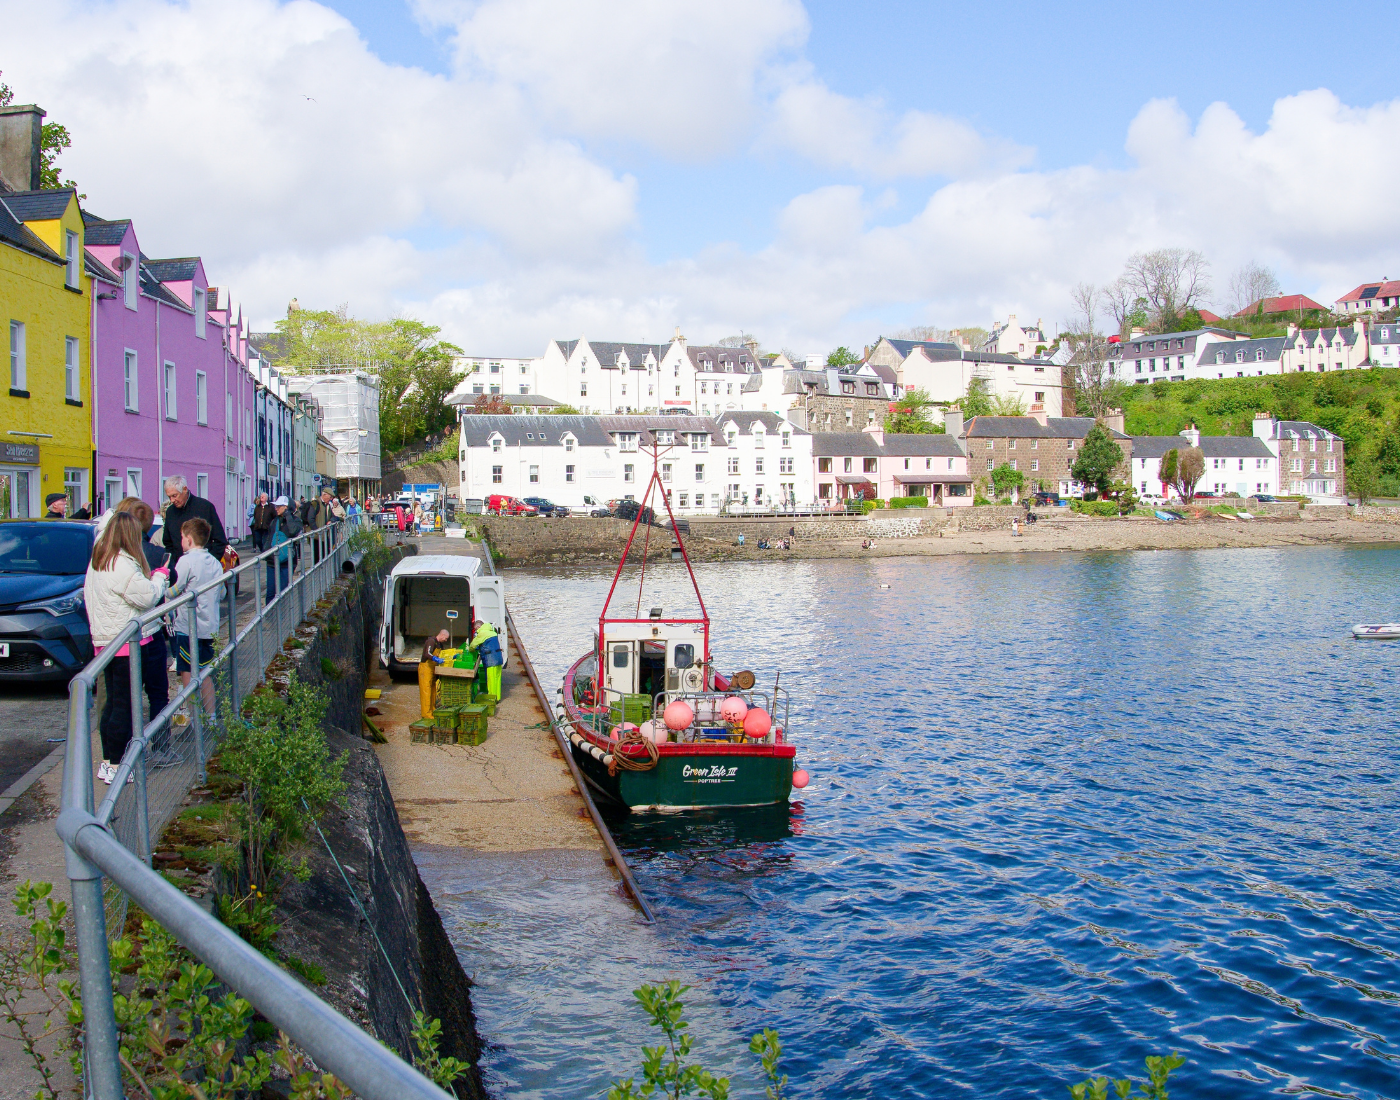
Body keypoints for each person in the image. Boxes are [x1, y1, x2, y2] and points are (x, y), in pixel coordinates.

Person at [84, 512, 170, 784]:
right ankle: (116, 764)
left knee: (113, 703)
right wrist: (160, 577)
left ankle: (109, 761)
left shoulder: (100, 559)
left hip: (107, 640)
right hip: (125, 643)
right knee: (124, 705)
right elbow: (147, 597)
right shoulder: (122, 564)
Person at [111, 497, 177, 762]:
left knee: (124, 698)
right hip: (151, 630)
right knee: (158, 691)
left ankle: (123, 754)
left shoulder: (109, 556)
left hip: (122, 634)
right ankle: (161, 747)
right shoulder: (155, 554)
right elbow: (156, 595)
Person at [167, 517, 223, 718]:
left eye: (182, 537)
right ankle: (211, 717)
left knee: (188, 673)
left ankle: (194, 718)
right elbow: (223, 593)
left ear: (189, 539)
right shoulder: (215, 563)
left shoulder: (186, 561)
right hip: (210, 627)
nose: (181, 541)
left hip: (188, 627)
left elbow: (174, 590)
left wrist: (161, 584)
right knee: (206, 673)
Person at [161, 475, 227, 571]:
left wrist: (208, 563)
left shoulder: (205, 507)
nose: (172, 500)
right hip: (179, 570)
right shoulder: (170, 512)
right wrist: (173, 564)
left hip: (204, 569)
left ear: (184, 489)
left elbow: (220, 540)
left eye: (174, 496)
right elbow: (168, 543)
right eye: (169, 497)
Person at [265, 496, 301, 598]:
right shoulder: (274, 521)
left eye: (279, 506)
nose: (276, 508)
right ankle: (271, 614)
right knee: (271, 592)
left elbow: (293, 531)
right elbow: (269, 537)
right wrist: (267, 552)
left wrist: (288, 516)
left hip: (287, 562)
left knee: (283, 590)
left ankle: (282, 613)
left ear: (286, 507)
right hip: (272, 561)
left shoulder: (296, 520)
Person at [418, 628, 451, 718]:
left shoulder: (440, 644)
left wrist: (451, 656)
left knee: (433, 690)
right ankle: (426, 713)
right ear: (442, 635)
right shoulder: (431, 641)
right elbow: (427, 653)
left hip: (432, 669)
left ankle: (432, 710)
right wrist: (435, 658)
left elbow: (442, 654)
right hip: (425, 668)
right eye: (446, 638)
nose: (446, 640)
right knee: (426, 691)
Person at [469, 617, 504, 702]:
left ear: (478, 627)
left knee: (491, 681)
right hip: (498, 658)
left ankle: (491, 699)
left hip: (491, 660)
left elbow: (472, 645)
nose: (476, 631)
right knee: (497, 680)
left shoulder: (482, 633)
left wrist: (471, 649)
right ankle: (497, 698)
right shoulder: (492, 632)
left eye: (475, 629)